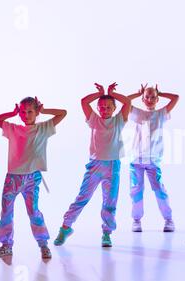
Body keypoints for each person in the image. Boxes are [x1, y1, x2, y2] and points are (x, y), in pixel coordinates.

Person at [54, 83, 130, 248]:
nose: (104, 109)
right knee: (82, 197)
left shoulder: (118, 120)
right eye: (101, 107)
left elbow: (127, 103)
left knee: (110, 202)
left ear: (114, 108)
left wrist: (111, 94)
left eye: (108, 107)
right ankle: (66, 227)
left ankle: (106, 233)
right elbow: (83, 102)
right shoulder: (94, 119)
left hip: (113, 166)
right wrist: (100, 94)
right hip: (95, 165)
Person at [0, 96, 67, 259]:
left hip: (32, 178)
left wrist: (44, 110)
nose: (26, 115)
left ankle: (43, 244)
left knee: (33, 212)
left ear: (36, 112)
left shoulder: (43, 128)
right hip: (13, 178)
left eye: (30, 111)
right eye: (23, 112)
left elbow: (62, 113)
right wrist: (12, 113)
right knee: (6, 212)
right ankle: (6, 245)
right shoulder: (13, 129)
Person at [127, 84, 179, 232]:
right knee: (136, 190)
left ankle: (168, 219)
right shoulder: (137, 113)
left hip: (153, 161)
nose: (150, 99)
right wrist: (138, 93)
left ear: (157, 99)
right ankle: (136, 220)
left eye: (153, 97)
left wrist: (161, 92)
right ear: (143, 99)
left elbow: (176, 98)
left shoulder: (162, 114)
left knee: (159, 190)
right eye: (147, 97)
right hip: (136, 160)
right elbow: (125, 101)